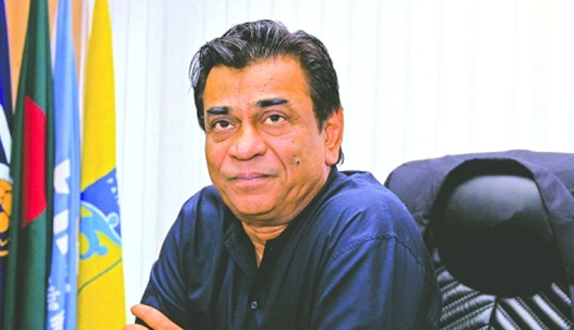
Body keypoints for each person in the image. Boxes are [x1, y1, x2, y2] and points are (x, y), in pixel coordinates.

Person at [125, 20, 441, 330]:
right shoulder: (202, 220)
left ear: (330, 134)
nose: (244, 148)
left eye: (274, 118)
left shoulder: (366, 227)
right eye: (223, 124)